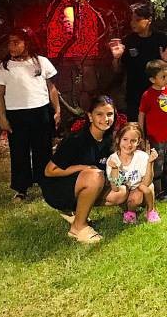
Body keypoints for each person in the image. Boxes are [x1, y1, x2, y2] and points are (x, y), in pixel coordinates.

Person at [41, 95, 128, 243]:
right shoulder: (76, 140)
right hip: (57, 189)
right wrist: (83, 168)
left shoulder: (110, 140)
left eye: (109, 114)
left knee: (121, 192)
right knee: (96, 176)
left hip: (84, 184)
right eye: (99, 114)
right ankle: (78, 227)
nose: (105, 119)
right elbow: (49, 171)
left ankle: (75, 212)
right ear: (90, 116)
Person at [0, 27, 61, 202]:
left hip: (40, 112)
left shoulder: (41, 62)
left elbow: (51, 88)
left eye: (16, 42)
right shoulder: (3, 66)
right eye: (10, 43)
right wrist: (2, 118)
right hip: (16, 114)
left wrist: (57, 110)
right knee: (19, 151)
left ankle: (45, 184)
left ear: (27, 43)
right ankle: (21, 188)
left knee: (43, 149)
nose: (12, 46)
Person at [110, 2, 167, 121]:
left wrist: (165, 60)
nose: (133, 23)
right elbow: (117, 70)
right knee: (135, 128)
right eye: (131, 20)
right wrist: (116, 58)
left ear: (149, 20)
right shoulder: (128, 41)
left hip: (157, 94)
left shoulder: (160, 38)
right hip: (134, 96)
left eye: (137, 20)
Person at [138, 59, 167, 198]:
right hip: (156, 136)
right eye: (163, 76)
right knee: (158, 163)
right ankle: (158, 191)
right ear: (152, 79)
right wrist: (141, 135)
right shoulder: (147, 95)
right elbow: (142, 114)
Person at [106, 123, 160, 224]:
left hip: (140, 189)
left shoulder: (142, 156)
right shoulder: (112, 159)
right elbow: (115, 188)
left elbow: (147, 182)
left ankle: (151, 210)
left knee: (146, 187)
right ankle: (130, 211)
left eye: (133, 141)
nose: (129, 144)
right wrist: (114, 169)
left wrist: (150, 163)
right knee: (124, 193)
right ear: (118, 139)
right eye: (125, 139)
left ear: (138, 142)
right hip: (126, 192)